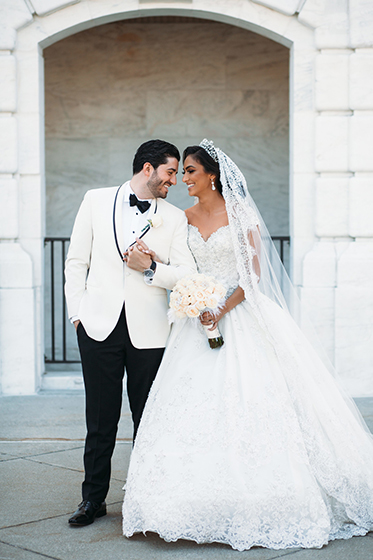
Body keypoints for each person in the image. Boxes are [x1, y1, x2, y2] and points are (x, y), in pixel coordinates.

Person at [122, 139, 373, 550]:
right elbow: (183, 267)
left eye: (190, 171)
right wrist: (169, 275)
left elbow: (252, 274)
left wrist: (219, 308)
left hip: (239, 313)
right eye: (180, 172)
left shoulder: (238, 212)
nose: (184, 178)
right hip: (195, 323)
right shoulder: (182, 218)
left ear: (212, 175)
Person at [64, 139, 196, 527]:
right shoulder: (95, 200)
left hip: (151, 333)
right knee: (100, 419)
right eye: (170, 172)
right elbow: (76, 262)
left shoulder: (174, 217)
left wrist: (152, 268)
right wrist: (78, 315)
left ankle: (143, 501)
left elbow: (186, 273)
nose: (175, 180)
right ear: (147, 168)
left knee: (148, 420)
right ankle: (92, 500)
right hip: (98, 326)